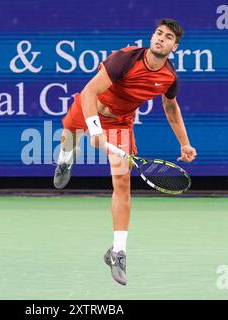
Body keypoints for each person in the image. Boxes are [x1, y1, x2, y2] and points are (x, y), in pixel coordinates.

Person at [53, 19, 197, 285]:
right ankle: (65, 160)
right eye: (158, 33)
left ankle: (118, 251)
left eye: (167, 37)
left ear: (174, 47)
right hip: (91, 107)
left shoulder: (168, 77)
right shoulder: (125, 59)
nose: (160, 39)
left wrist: (184, 143)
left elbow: (171, 108)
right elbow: (88, 91)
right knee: (67, 139)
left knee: (122, 182)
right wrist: (94, 129)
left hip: (120, 123)